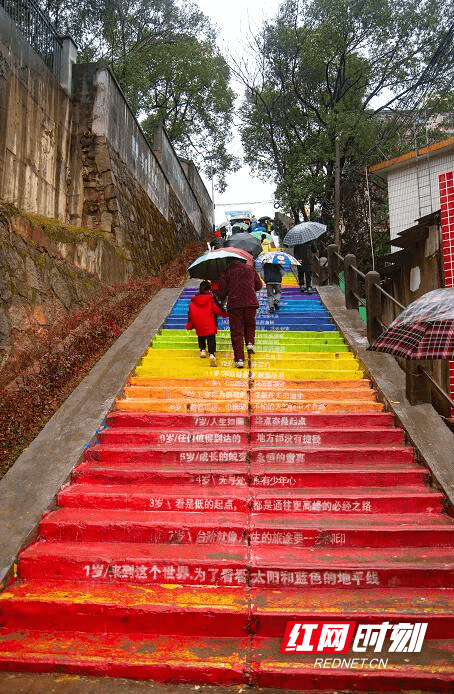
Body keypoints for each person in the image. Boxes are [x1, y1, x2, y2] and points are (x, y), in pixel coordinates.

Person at [217, 260, 263, 368]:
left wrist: (221, 298)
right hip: (251, 302)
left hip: (235, 304)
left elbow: (222, 291)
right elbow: (259, 285)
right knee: (250, 324)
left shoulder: (227, 271)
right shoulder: (250, 268)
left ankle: (239, 360)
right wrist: (250, 288)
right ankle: (250, 342)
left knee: (237, 332)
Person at [185, 280, 227, 367]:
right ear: (209, 288)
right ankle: (212, 354)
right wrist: (225, 313)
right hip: (210, 322)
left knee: (201, 336)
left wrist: (190, 324)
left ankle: (202, 350)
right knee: (211, 338)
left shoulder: (193, 301)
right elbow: (217, 310)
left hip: (198, 323)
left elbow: (190, 314)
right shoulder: (211, 299)